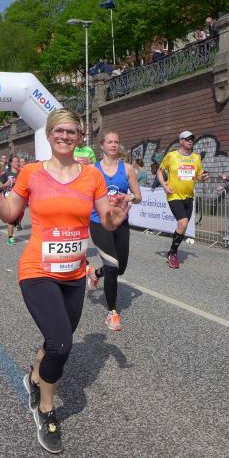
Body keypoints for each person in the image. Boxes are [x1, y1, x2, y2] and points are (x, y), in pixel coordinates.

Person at [0, 109, 129, 454]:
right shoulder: (31, 173)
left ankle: (33, 376)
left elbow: (105, 219)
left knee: (56, 338)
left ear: (80, 136)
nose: (65, 136)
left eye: (72, 131)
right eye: (59, 130)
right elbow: (10, 213)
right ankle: (45, 409)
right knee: (60, 345)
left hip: (73, 274)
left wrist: (116, 218)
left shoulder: (92, 177)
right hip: (37, 271)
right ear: (48, 134)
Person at [85, 130, 142, 331]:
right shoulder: (92, 169)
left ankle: (95, 274)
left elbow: (138, 196)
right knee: (112, 266)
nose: (113, 145)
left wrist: (128, 197)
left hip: (120, 222)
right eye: (109, 142)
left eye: (116, 142)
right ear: (102, 145)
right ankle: (112, 313)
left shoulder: (127, 169)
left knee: (120, 267)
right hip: (98, 221)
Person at [157, 131, 208, 268]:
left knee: (182, 228)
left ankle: (171, 252)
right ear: (181, 141)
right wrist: (164, 186)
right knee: (183, 223)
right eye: (187, 139)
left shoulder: (196, 157)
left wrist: (203, 178)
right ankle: (173, 254)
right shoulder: (172, 156)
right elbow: (159, 171)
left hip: (189, 197)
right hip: (174, 196)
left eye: (192, 139)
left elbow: (198, 176)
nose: (190, 141)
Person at [0, 155, 23, 245]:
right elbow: (0, 187)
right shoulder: (6, 174)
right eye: (15, 161)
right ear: (11, 163)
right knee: (11, 219)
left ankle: (14, 227)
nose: (17, 163)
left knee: (16, 219)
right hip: (9, 198)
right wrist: (6, 184)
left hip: (19, 198)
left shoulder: (21, 173)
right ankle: (10, 238)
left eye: (18, 161)